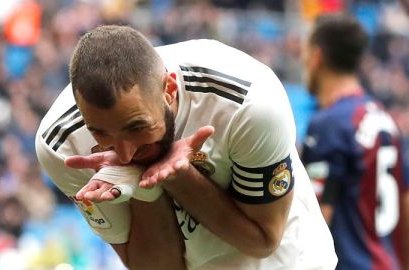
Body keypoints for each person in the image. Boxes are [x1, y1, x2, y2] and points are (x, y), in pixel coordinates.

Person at [35, 25, 337, 270]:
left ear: (169, 90)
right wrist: (144, 187)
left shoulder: (246, 103)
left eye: (137, 127)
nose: (124, 153)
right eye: (99, 133)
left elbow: (262, 240)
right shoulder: (62, 147)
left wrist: (182, 177)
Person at [300, 14, 409, 270]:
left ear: (317, 57)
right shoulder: (385, 120)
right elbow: (405, 205)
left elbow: (316, 219)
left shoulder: (330, 125)